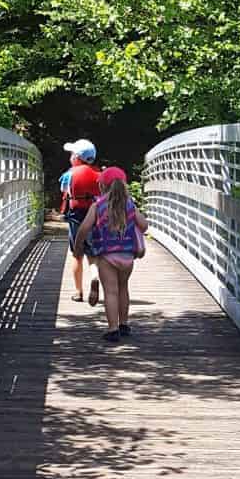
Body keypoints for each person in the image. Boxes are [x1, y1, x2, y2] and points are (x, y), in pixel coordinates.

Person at [72, 166, 148, 343]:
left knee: (111, 292)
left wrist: (78, 247)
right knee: (123, 288)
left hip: (107, 256)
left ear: (102, 187)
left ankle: (113, 329)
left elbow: (83, 229)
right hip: (128, 256)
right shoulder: (130, 205)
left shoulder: (97, 206)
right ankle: (124, 324)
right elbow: (144, 225)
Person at [61, 138, 102, 304]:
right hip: (94, 216)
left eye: (72, 154)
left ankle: (78, 292)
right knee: (92, 253)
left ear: (76, 158)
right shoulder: (99, 175)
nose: (70, 156)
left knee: (77, 254)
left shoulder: (68, 175)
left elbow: (64, 190)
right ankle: (95, 276)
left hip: (76, 216)